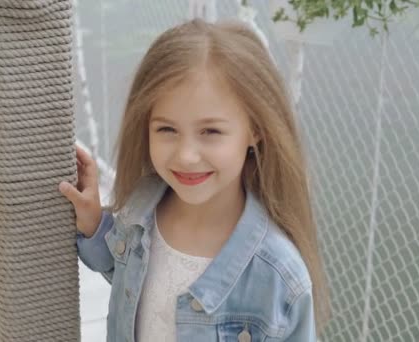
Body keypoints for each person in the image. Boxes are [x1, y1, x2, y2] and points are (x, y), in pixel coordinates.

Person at [59, 18, 330, 342]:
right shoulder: (142, 209)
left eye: (211, 131)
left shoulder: (279, 276)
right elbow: (124, 272)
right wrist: (93, 222)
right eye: (167, 130)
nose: (186, 155)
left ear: (256, 129)